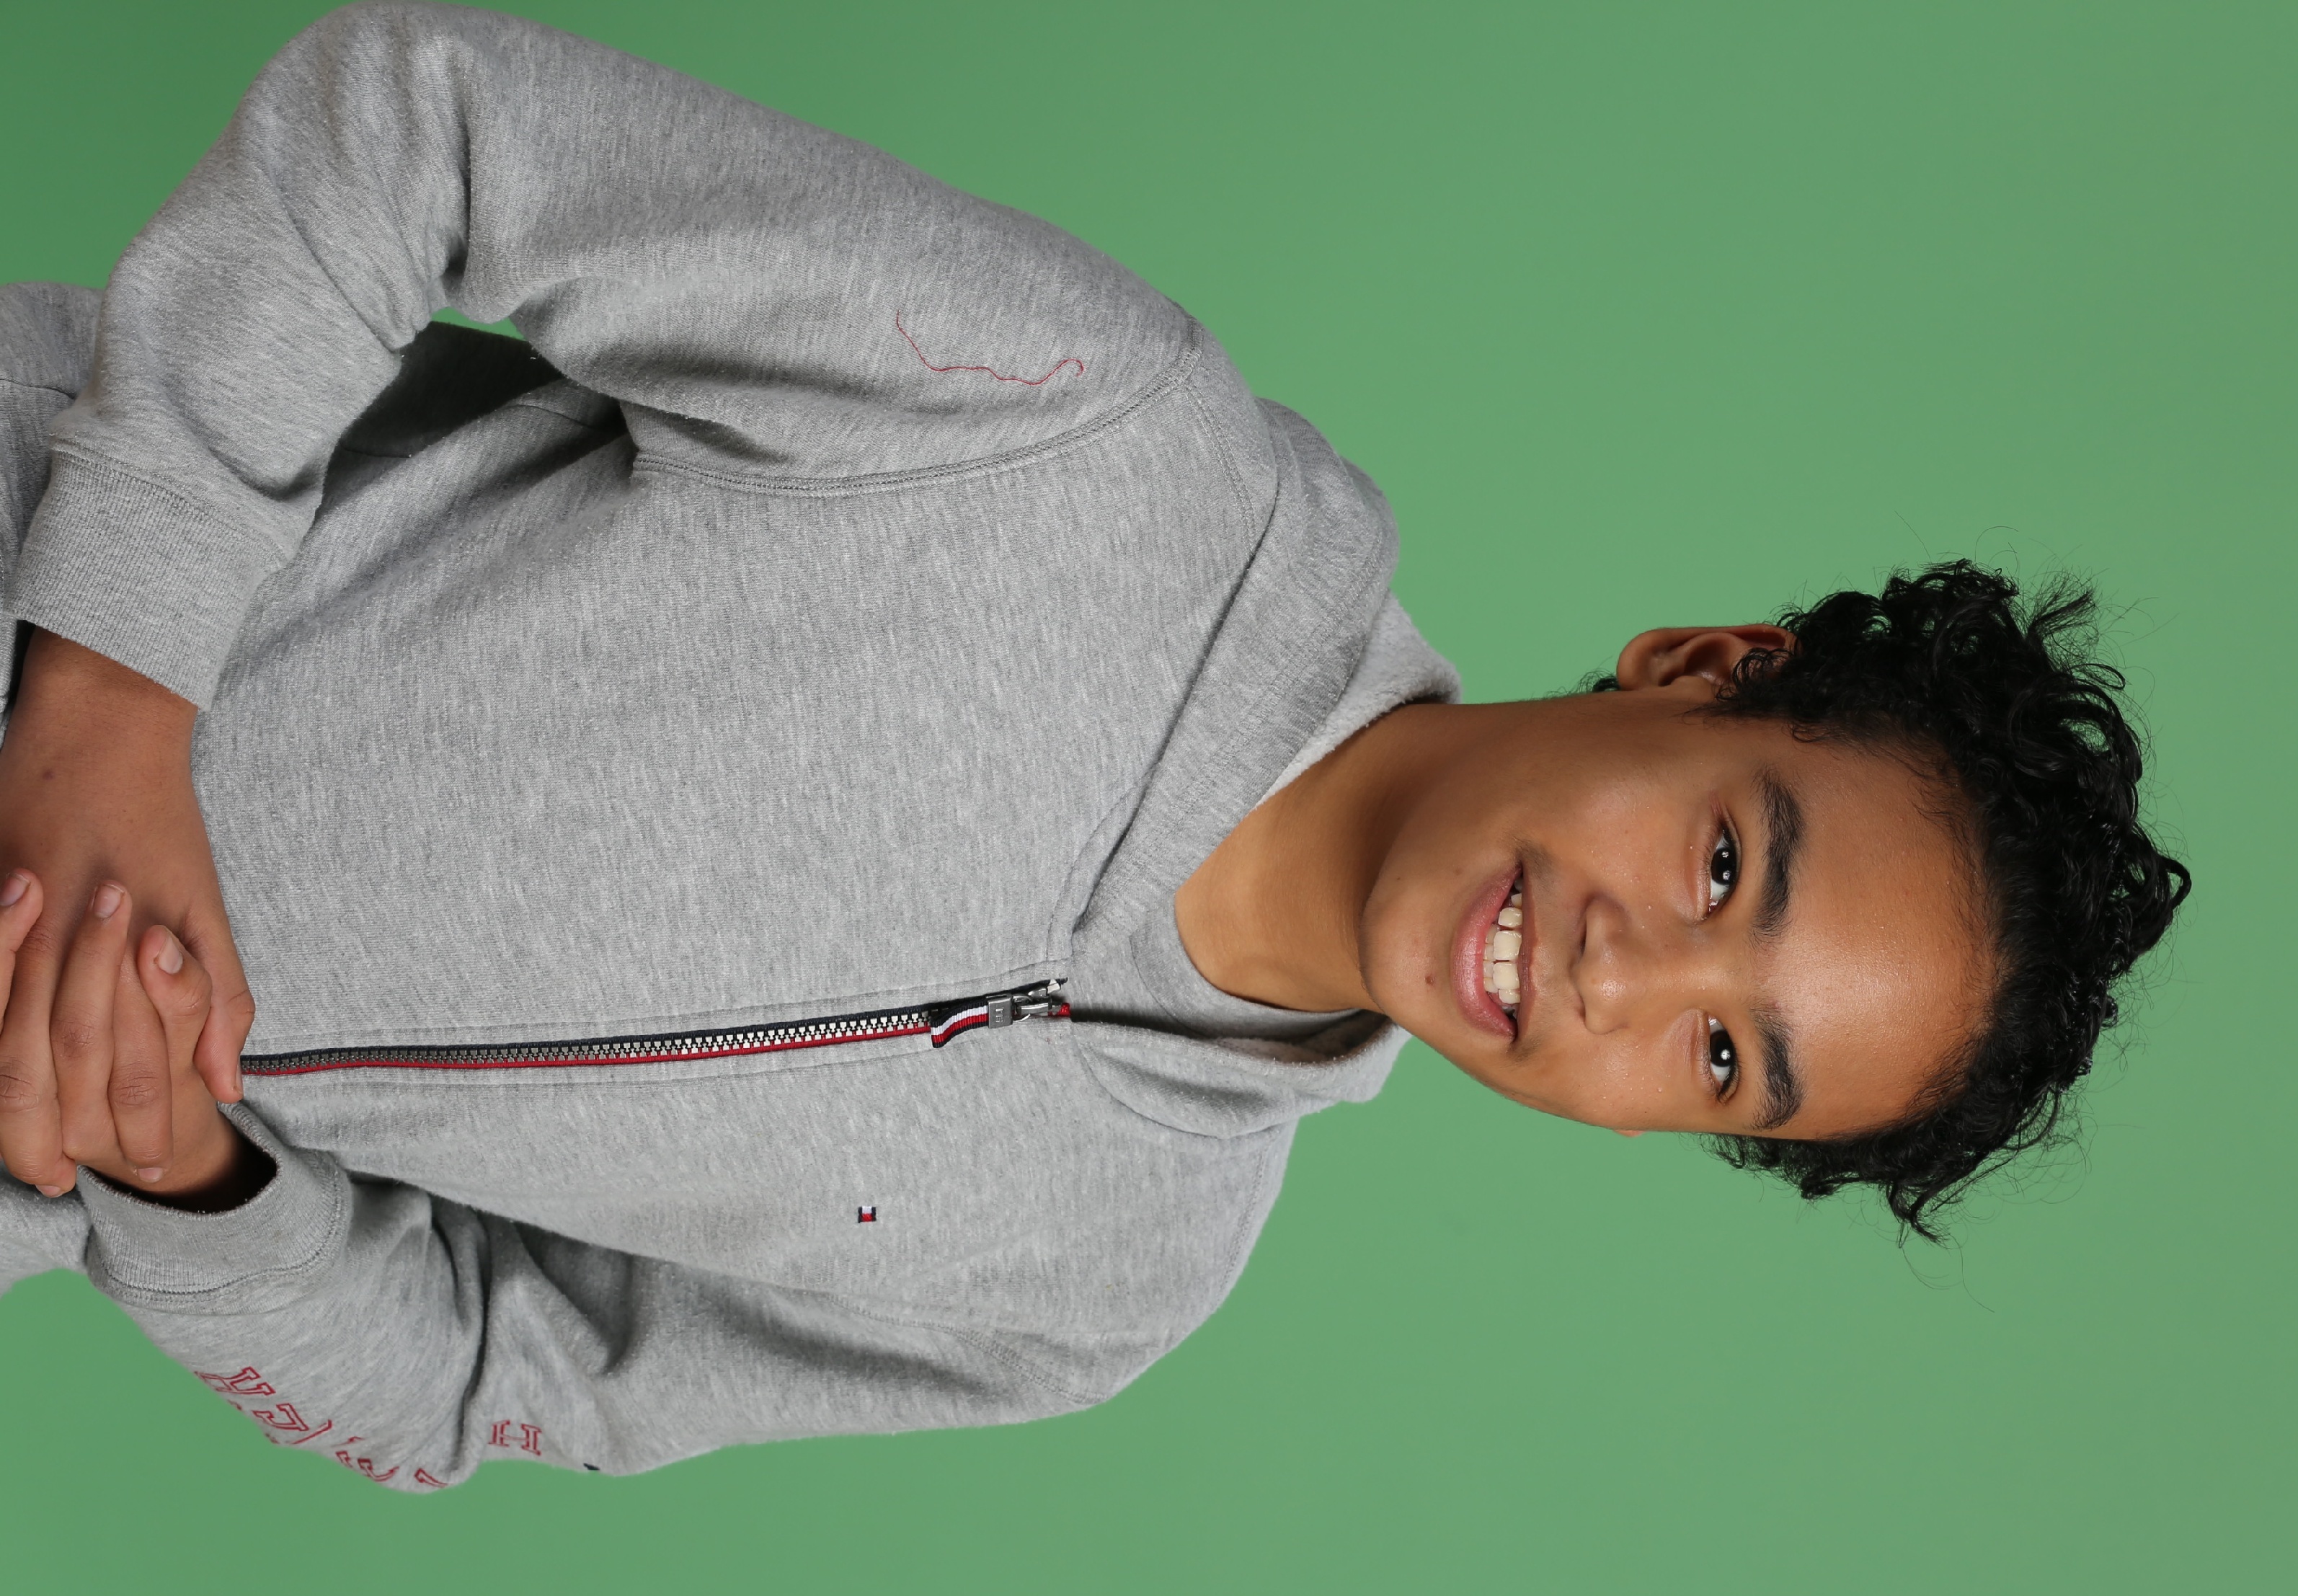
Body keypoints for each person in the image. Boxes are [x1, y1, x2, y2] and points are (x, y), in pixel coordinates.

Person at [0, 4, 2186, 1491]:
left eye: (1723, 1059)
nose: (1632, 977)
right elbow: (414, 124)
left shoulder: (1098, 1291)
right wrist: (107, 693)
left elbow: (486, 1376)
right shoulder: (1094, 444)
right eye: (1726, 869)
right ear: (1698, 669)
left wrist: (180, 1178)